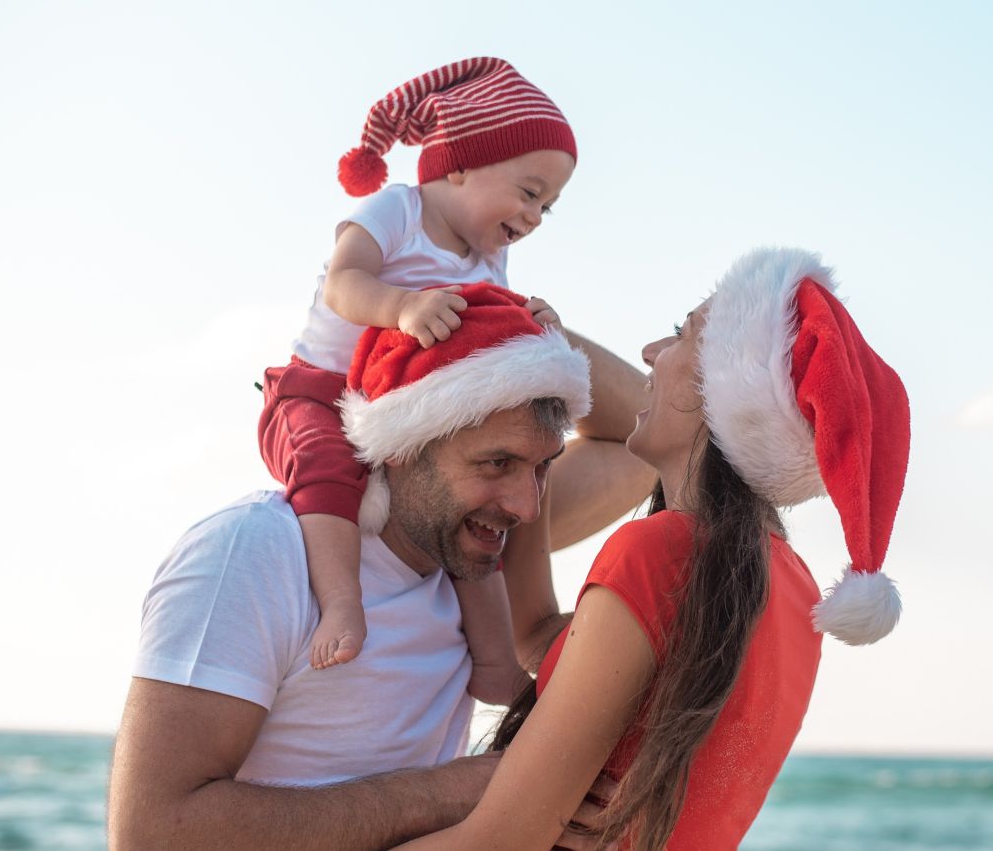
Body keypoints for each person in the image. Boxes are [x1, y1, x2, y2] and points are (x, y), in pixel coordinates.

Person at [399, 247, 912, 850]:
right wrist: (545, 377)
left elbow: (494, 843)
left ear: (726, 391)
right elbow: (541, 636)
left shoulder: (659, 551)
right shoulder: (788, 579)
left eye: (680, 334)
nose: (649, 353)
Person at [109, 284, 655, 850]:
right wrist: (457, 793)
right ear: (402, 443)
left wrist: (528, 329)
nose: (526, 507)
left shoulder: (473, 552)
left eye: (542, 468)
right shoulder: (253, 552)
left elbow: (638, 449)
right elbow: (152, 834)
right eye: (498, 463)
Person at [258, 58, 577, 707]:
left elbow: (487, 336)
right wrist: (400, 308)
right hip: (319, 391)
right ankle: (343, 606)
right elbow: (345, 283)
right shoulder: (395, 210)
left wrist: (537, 326)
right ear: (458, 165)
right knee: (326, 471)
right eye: (529, 191)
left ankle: (494, 661)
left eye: (548, 204)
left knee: (469, 518)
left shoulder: (490, 256)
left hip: (402, 412)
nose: (537, 214)